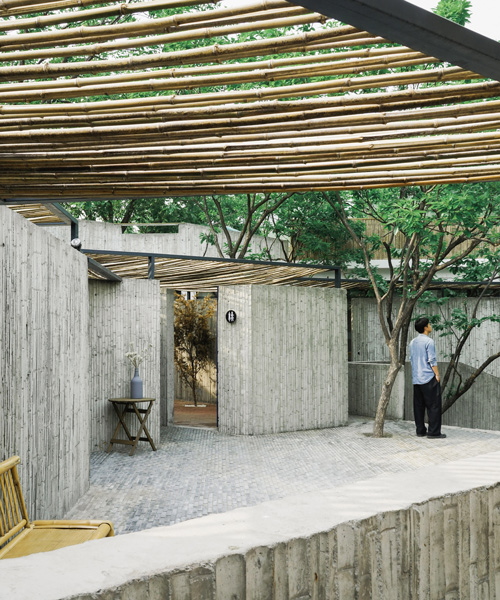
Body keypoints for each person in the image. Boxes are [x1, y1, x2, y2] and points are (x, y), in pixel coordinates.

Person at [409, 317, 446, 439]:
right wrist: (437, 374)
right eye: (429, 324)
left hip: (416, 378)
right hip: (428, 377)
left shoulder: (412, 342)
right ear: (425, 327)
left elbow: (411, 359)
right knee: (434, 406)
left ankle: (420, 431)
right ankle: (433, 432)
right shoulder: (429, 342)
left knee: (418, 406)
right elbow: (432, 360)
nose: (430, 326)